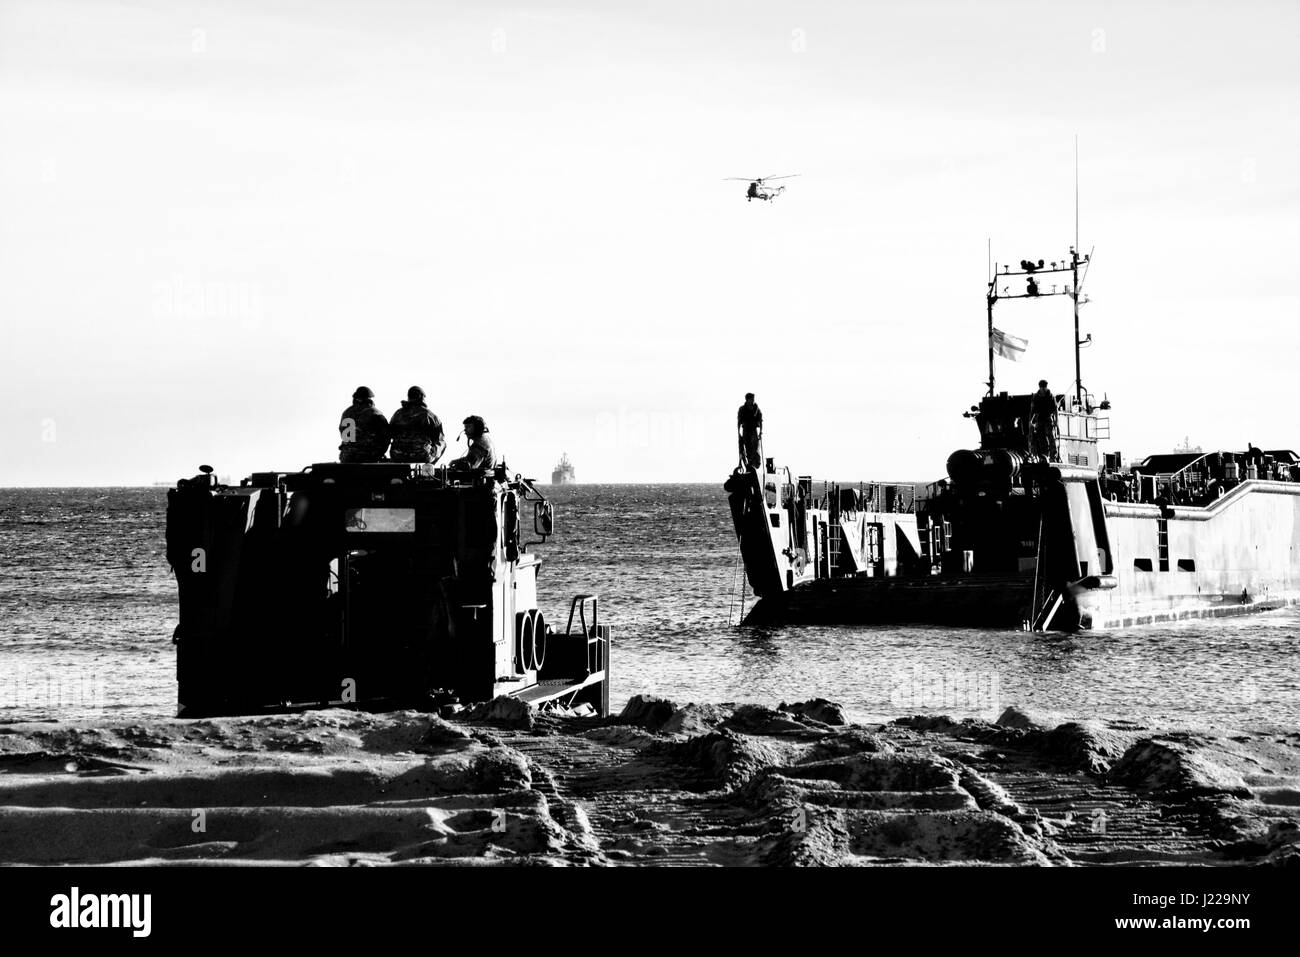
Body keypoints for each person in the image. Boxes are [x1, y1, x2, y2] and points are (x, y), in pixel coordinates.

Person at [388, 386, 446, 464]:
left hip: (397, 455)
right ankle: (428, 468)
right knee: (443, 443)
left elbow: (389, 434)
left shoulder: (398, 414)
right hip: (421, 456)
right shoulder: (429, 415)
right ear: (421, 397)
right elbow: (438, 438)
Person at [338, 386, 390, 463]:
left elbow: (343, 434)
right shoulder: (375, 413)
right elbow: (386, 437)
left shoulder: (346, 413)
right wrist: (380, 453)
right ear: (369, 399)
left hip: (347, 457)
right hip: (368, 456)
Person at [1029, 379, 1059, 460]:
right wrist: (1030, 421)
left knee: (1051, 436)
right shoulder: (1036, 397)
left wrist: (1056, 420)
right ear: (1040, 387)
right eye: (1042, 387)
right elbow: (1032, 410)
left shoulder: (1050, 396)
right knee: (1041, 438)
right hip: (1039, 419)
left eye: (1045, 387)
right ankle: (1045, 455)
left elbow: (1055, 409)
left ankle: (1054, 455)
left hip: (1048, 418)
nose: (1043, 389)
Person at [737, 392, 763, 470]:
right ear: (747, 399)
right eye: (751, 399)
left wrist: (761, 431)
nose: (753, 401)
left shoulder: (756, 408)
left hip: (754, 430)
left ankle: (756, 465)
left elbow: (760, 420)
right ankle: (750, 465)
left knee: (755, 449)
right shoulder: (742, 409)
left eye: (753, 399)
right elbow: (739, 421)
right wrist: (738, 433)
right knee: (747, 449)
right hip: (746, 430)